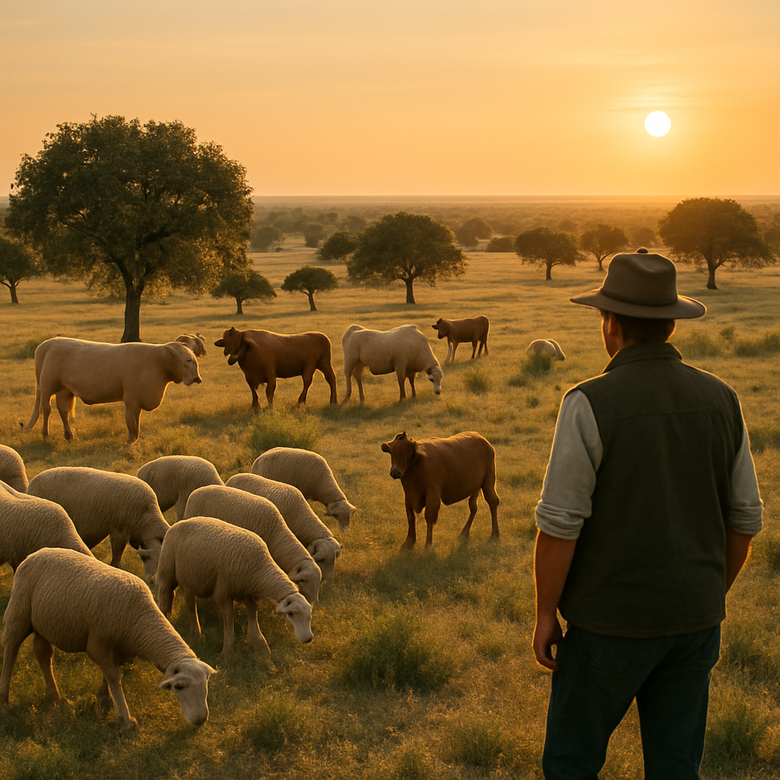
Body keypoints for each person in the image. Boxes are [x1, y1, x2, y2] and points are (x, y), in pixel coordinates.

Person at [532, 250, 763, 779]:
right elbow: (745, 520)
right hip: (696, 622)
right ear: (669, 323)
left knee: (572, 761)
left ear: (610, 323)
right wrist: (707, 592)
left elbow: (560, 527)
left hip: (608, 625)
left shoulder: (587, 402)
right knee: (677, 766)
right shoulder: (723, 398)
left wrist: (547, 614)